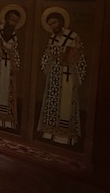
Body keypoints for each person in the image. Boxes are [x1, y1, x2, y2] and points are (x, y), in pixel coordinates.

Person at [37, 11, 87, 146]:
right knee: (52, 101)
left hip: (68, 74)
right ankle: (49, 132)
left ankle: (66, 137)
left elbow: (79, 57)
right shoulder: (52, 37)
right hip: (54, 74)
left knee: (66, 103)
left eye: (54, 22)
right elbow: (48, 54)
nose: (53, 26)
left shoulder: (73, 36)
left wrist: (67, 58)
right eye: (50, 24)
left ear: (61, 22)